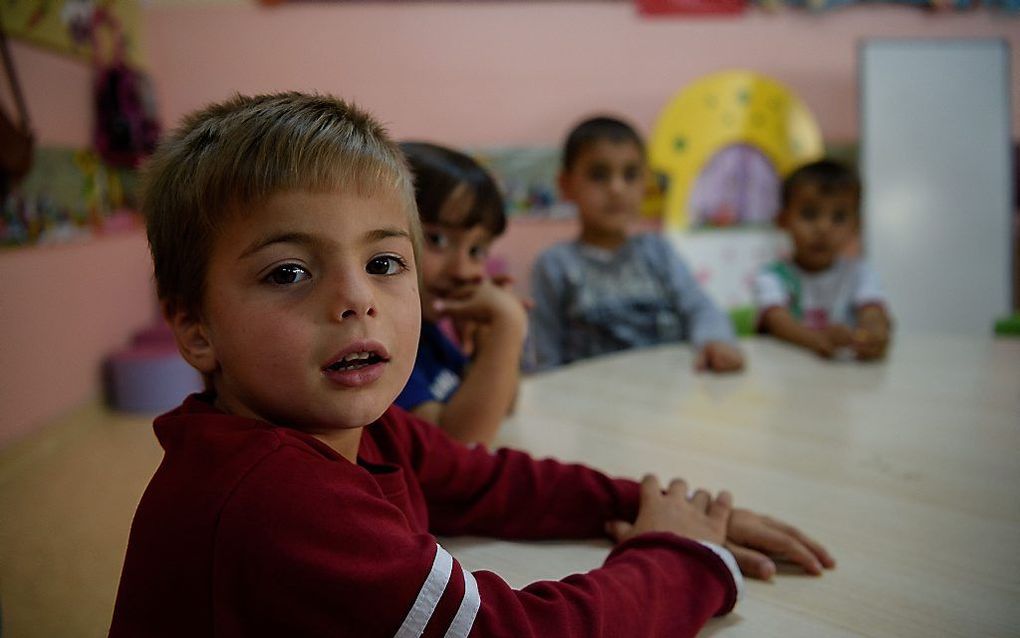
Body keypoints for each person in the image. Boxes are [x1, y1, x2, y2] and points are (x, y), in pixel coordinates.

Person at [109, 92, 834, 638]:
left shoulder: (369, 429)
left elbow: (493, 482)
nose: (358, 300)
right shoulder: (275, 498)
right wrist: (680, 557)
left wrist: (638, 504)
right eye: (289, 273)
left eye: (385, 261)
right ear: (196, 329)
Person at [529, 116, 745, 372]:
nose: (617, 189)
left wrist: (715, 341)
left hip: (666, 398)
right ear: (566, 186)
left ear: (645, 183)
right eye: (599, 175)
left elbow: (699, 308)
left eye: (631, 175)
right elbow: (544, 355)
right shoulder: (554, 265)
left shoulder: (658, 252)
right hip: (589, 404)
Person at [394, 142, 526, 446]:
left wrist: (488, 341)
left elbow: (505, 406)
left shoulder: (428, 335)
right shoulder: (388, 348)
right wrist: (508, 327)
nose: (463, 271)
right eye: (437, 239)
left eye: (477, 250)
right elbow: (459, 447)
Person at [754, 159, 892, 360]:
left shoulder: (860, 273)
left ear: (856, 226)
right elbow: (777, 322)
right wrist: (816, 340)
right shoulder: (773, 277)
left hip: (848, 383)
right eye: (809, 214)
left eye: (839, 217)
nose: (823, 228)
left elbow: (873, 311)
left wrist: (875, 332)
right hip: (789, 377)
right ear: (783, 221)